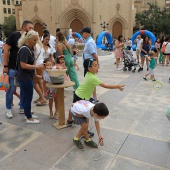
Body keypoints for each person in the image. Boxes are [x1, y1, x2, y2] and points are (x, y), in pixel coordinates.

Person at [67, 58, 125, 128]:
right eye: (95, 65)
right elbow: (105, 85)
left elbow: (93, 86)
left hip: (79, 94)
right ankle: (83, 129)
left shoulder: (89, 74)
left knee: (74, 108)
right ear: (89, 68)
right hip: (80, 96)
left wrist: (95, 97)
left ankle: (70, 120)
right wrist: (117, 86)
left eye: (97, 65)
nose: (98, 67)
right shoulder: (92, 77)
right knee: (81, 114)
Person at [3, 20, 34, 119]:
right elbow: (6, 50)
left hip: (23, 70)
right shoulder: (14, 36)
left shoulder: (29, 39)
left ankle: (22, 107)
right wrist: (5, 66)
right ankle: (8, 108)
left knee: (23, 89)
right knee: (11, 89)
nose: (31, 30)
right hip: (12, 67)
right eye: (30, 28)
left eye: (32, 28)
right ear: (24, 27)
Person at [17, 30, 44, 123]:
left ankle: (27, 114)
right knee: (28, 98)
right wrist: (37, 67)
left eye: (37, 40)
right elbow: (23, 65)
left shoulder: (30, 48)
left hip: (27, 77)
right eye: (35, 40)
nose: (36, 42)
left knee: (26, 97)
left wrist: (36, 74)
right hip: (24, 78)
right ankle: (29, 118)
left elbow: (32, 61)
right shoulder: (24, 49)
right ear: (29, 39)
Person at [80, 27, 99, 103]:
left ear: (86, 33)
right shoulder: (89, 41)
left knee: (90, 82)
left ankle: (92, 97)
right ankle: (93, 97)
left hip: (89, 66)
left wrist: (97, 65)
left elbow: (94, 54)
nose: (82, 34)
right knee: (90, 81)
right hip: (88, 65)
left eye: (83, 33)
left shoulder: (90, 42)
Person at [33, 37, 47, 106]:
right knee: (40, 82)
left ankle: (42, 98)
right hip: (41, 64)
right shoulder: (40, 44)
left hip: (37, 65)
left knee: (35, 83)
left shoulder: (35, 45)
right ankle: (41, 97)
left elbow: (34, 56)